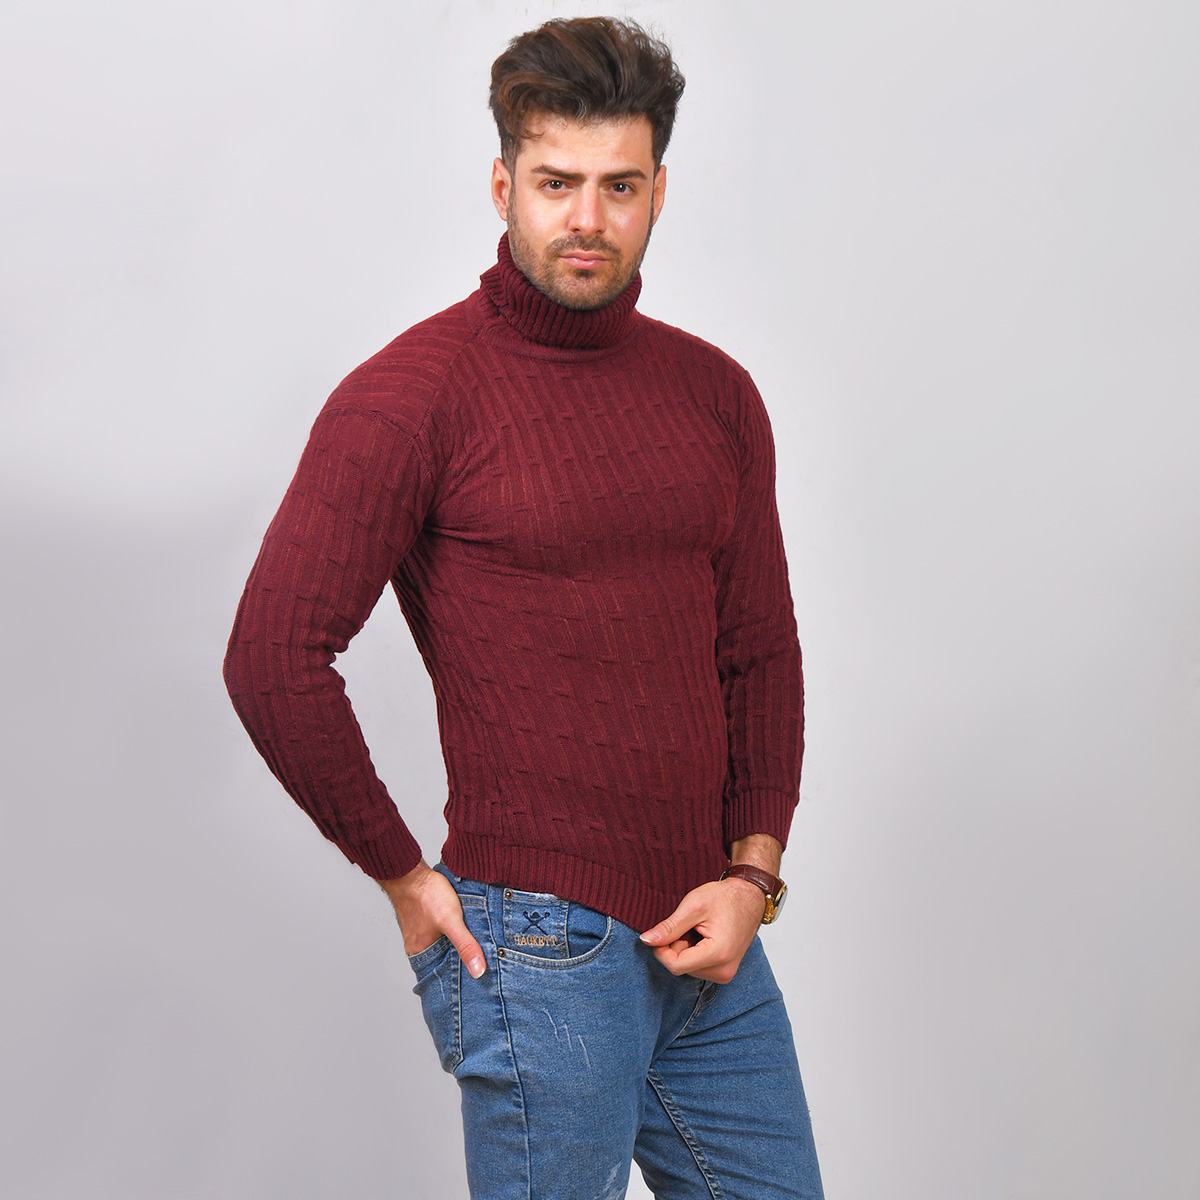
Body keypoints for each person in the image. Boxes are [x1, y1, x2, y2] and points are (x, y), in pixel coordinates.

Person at [224, 16, 823, 1200]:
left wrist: (753, 875)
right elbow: (273, 656)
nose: (587, 218)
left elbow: (758, 651)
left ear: (659, 192)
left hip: (709, 939)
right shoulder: (411, 399)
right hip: (540, 947)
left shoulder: (718, 396)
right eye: (556, 183)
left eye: (618, 186)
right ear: (503, 186)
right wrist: (402, 874)